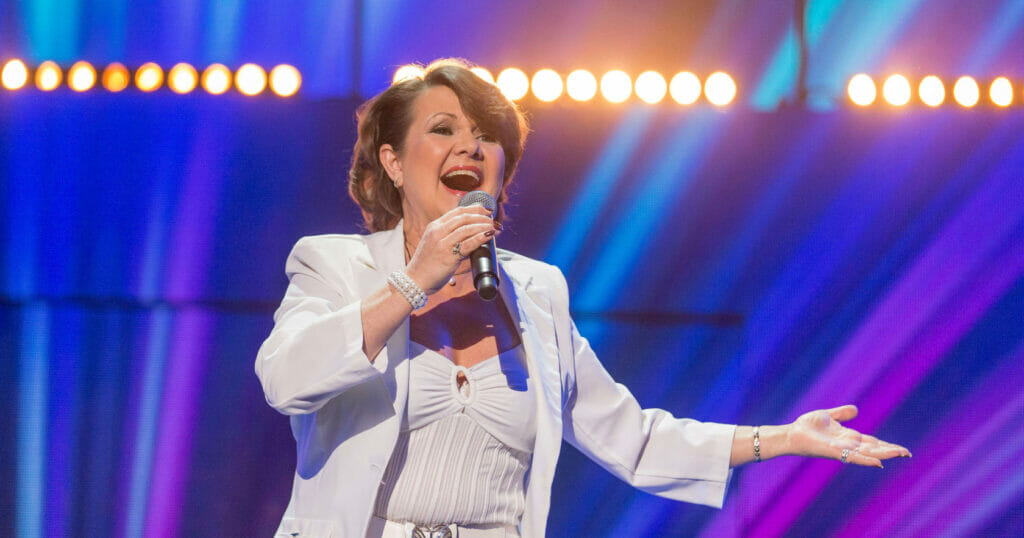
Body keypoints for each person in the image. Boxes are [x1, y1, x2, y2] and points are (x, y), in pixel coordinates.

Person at [255, 58, 910, 538]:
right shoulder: (335, 264)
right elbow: (286, 380)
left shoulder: (535, 289)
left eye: (486, 134)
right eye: (443, 129)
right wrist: (411, 280)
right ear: (395, 163)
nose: (469, 145)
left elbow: (633, 438)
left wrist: (783, 439)